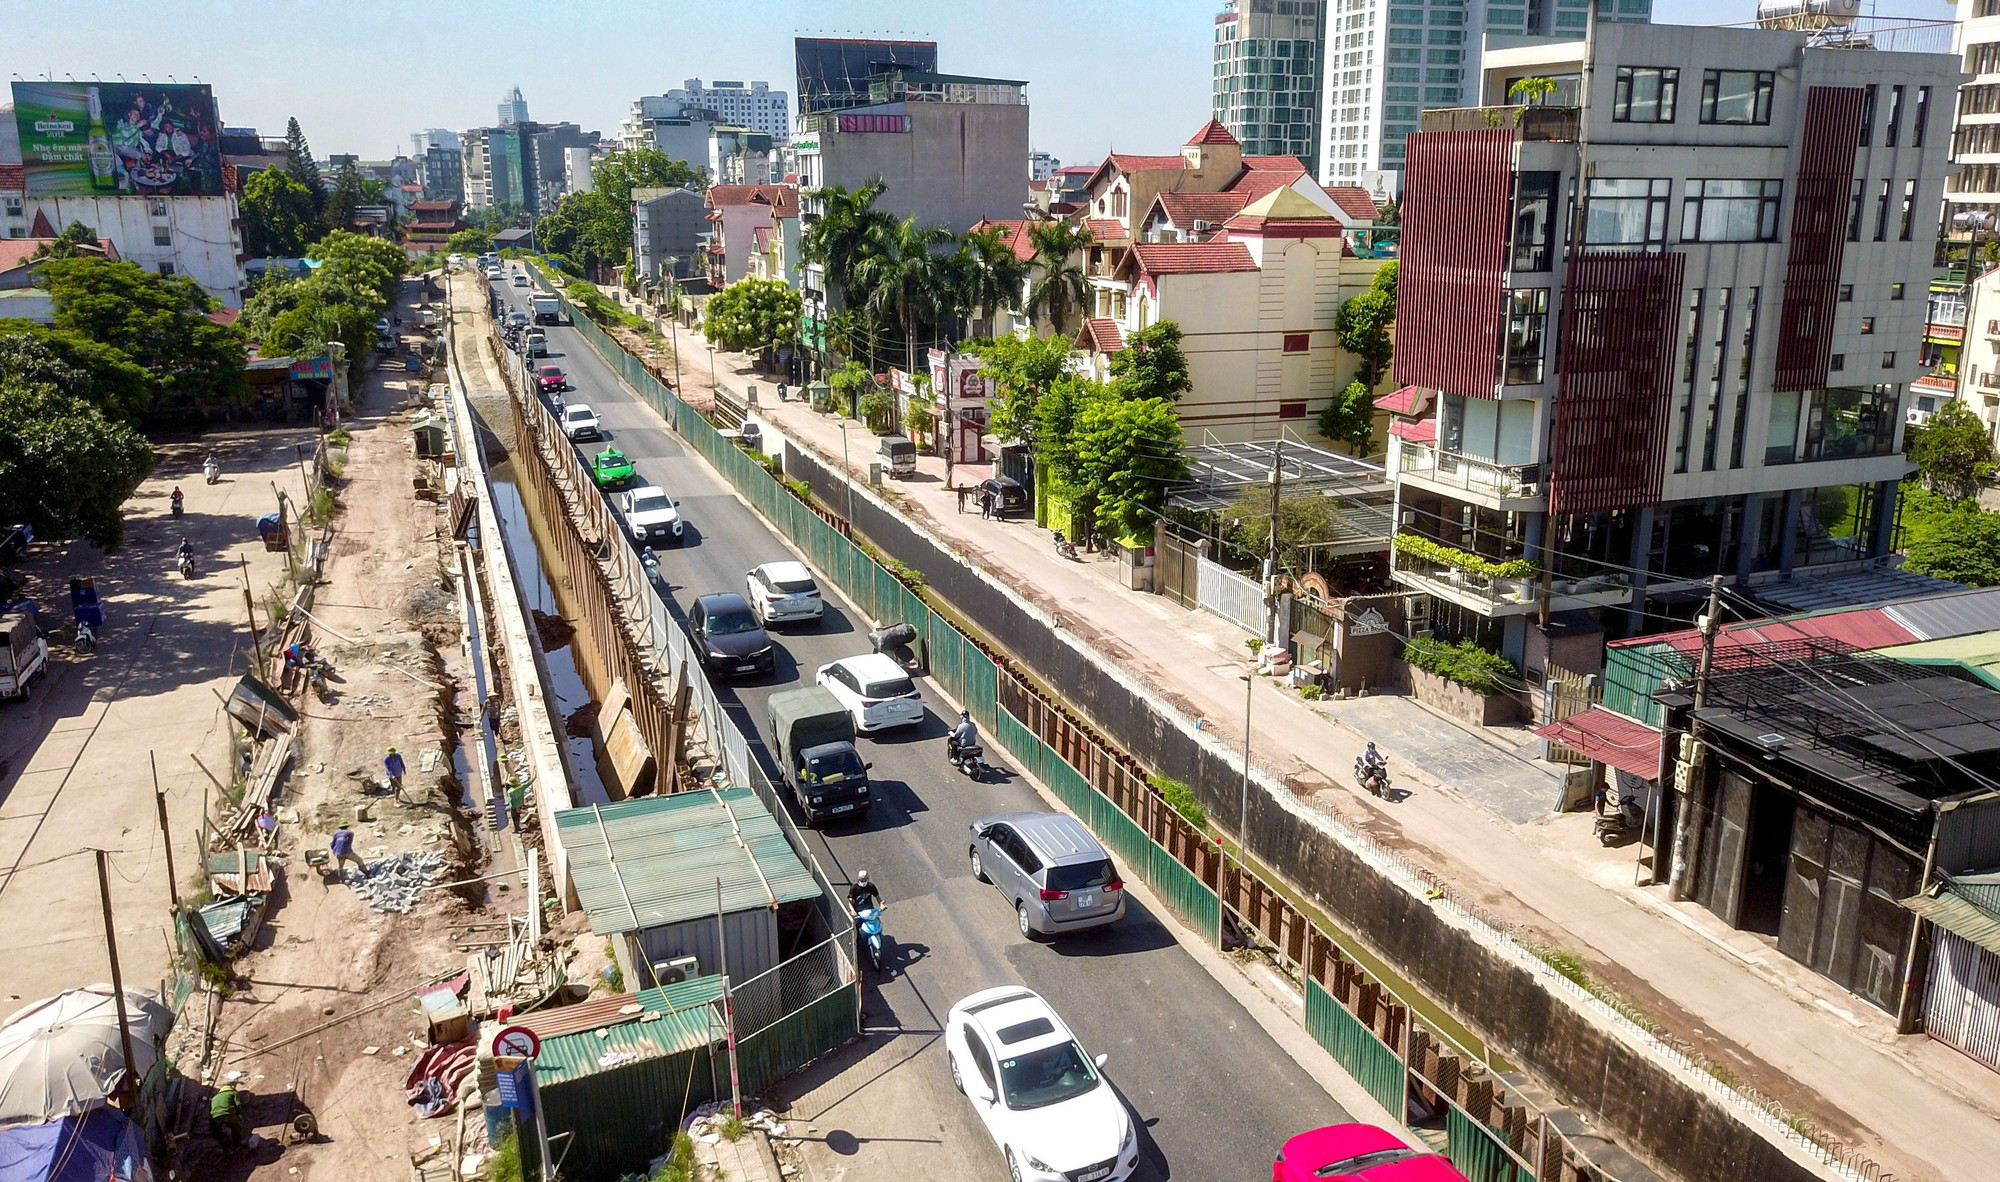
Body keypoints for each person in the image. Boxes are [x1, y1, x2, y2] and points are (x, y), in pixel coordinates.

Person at [209, 1083, 245, 1149]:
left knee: (217, 1132)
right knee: (236, 1128)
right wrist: (238, 1114)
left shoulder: (214, 1098)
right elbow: (238, 1105)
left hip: (216, 1117)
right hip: (228, 1114)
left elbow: (210, 1111)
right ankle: (237, 1145)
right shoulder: (233, 1093)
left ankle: (225, 1147)